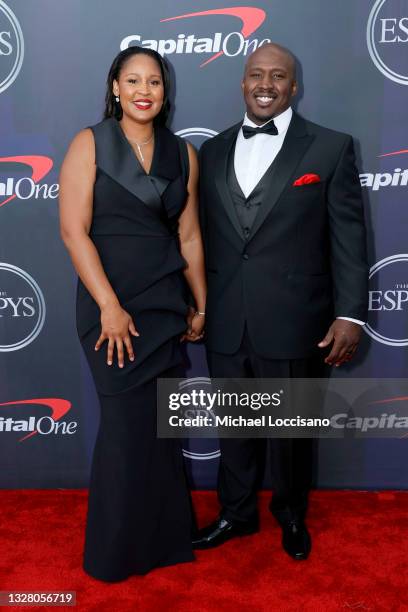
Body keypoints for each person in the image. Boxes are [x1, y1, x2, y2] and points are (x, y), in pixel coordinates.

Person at [193, 42, 368, 560]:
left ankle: (291, 515)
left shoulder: (330, 147)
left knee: (292, 433)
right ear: (242, 83)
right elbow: (198, 235)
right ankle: (236, 513)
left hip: (298, 319)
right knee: (236, 430)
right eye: (255, 75)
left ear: (294, 86)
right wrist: (194, 303)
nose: (265, 84)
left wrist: (350, 313)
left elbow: (349, 238)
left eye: (277, 76)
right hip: (227, 317)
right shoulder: (213, 150)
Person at [59, 47, 206, 581]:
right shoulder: (90, 143)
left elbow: (188, 235)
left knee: (160, 432)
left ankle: (164, 542)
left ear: (165, 93)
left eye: (155, 82)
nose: (145, 90)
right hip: (110, 311)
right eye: (133, 80)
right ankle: (114, 553)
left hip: (165, 306)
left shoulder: (183, 154)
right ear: (116, 88)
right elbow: (74, 231)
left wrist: (201, 302)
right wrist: (109, 307)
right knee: (125, 430)